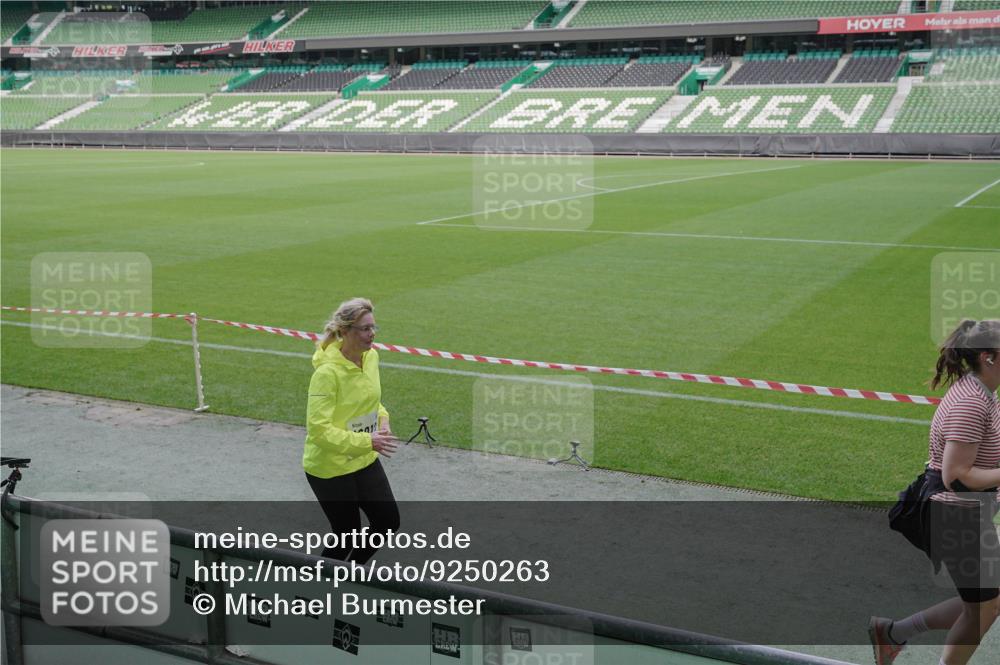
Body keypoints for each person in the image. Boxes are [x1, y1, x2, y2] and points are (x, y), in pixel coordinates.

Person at [869, 319, 1000, 665]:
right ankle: (897, 636)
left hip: (963, 512)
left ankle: (893, 634)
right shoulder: (972, 402)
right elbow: (957, 476)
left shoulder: (984, 393)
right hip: (954, 514)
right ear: (988, 357)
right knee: (982, 610)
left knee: (986, 603)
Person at [303, 297, 399, 564]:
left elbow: (370, 399)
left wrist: (383, 419)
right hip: (329, 467)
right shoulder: (327, 374)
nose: (372, 334)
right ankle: (313, 592)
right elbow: (319, 430)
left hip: (364, 457)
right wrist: (367, 440)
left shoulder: (371, 358)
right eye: (365, 329)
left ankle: (347, 576)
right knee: (347, 534)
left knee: (387, 522)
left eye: (373, 328)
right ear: (345, 332)